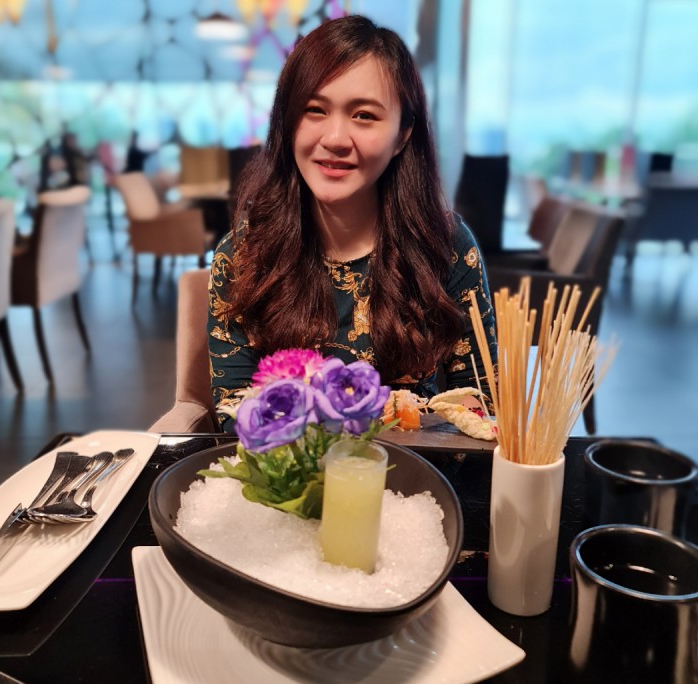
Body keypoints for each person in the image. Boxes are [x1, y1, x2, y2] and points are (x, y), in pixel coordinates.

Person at [207, 14, 497, 430]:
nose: (335, 139)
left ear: (402, 135)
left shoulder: (445, 245)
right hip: (289, 470)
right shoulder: (243, 254)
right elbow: (235, 412)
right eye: (314, 110)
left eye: (364, 115)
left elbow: (481, 405)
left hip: (417, 467)